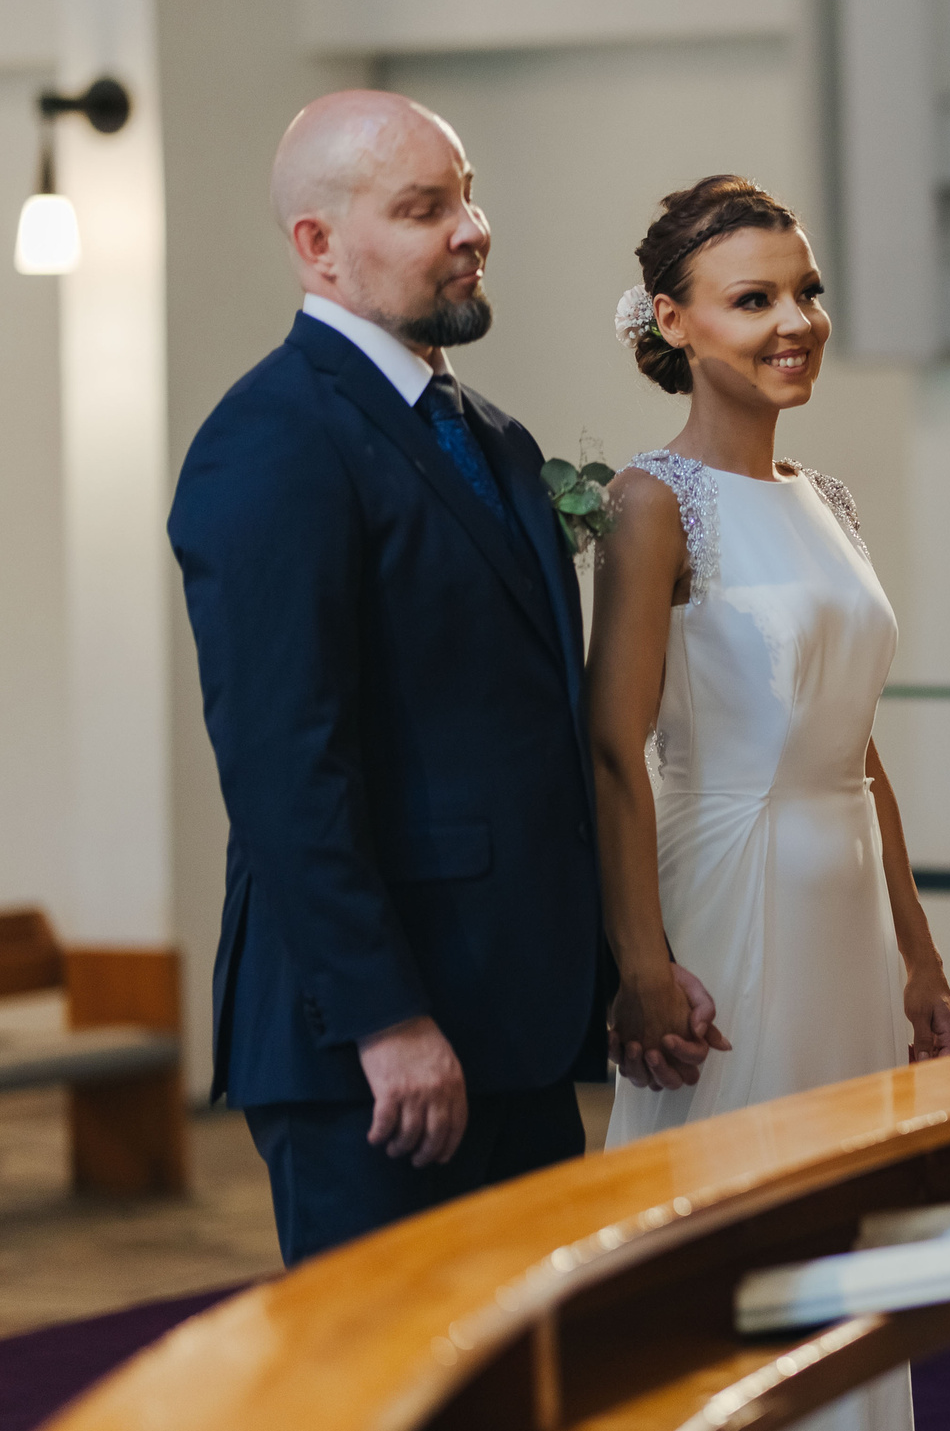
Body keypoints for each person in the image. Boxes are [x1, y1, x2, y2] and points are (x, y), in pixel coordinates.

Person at [169, 91, 719, 1268]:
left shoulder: (493, 438)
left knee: (517, 1399)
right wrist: (385, 1017)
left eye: (467, 195)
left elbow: (531, 735)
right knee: (390, 1414)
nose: (469, 228)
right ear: (317, 245)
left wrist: (620, 965)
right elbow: (283, 767)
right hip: (377, 1039)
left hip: (508, 1015)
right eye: (424, 208)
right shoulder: (273, 438)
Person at [588, 174, 950, 1431]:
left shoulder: (831, 499)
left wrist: (918, 950)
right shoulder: (650, 503)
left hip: (841, 904)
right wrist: (639, 961)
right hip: (728, 891)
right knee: (732, 1229)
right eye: (754, 299)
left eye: (803, 290)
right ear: (677, 323)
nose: (794, 320)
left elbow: (858, 747)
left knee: (844, 1228)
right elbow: (611, 744)